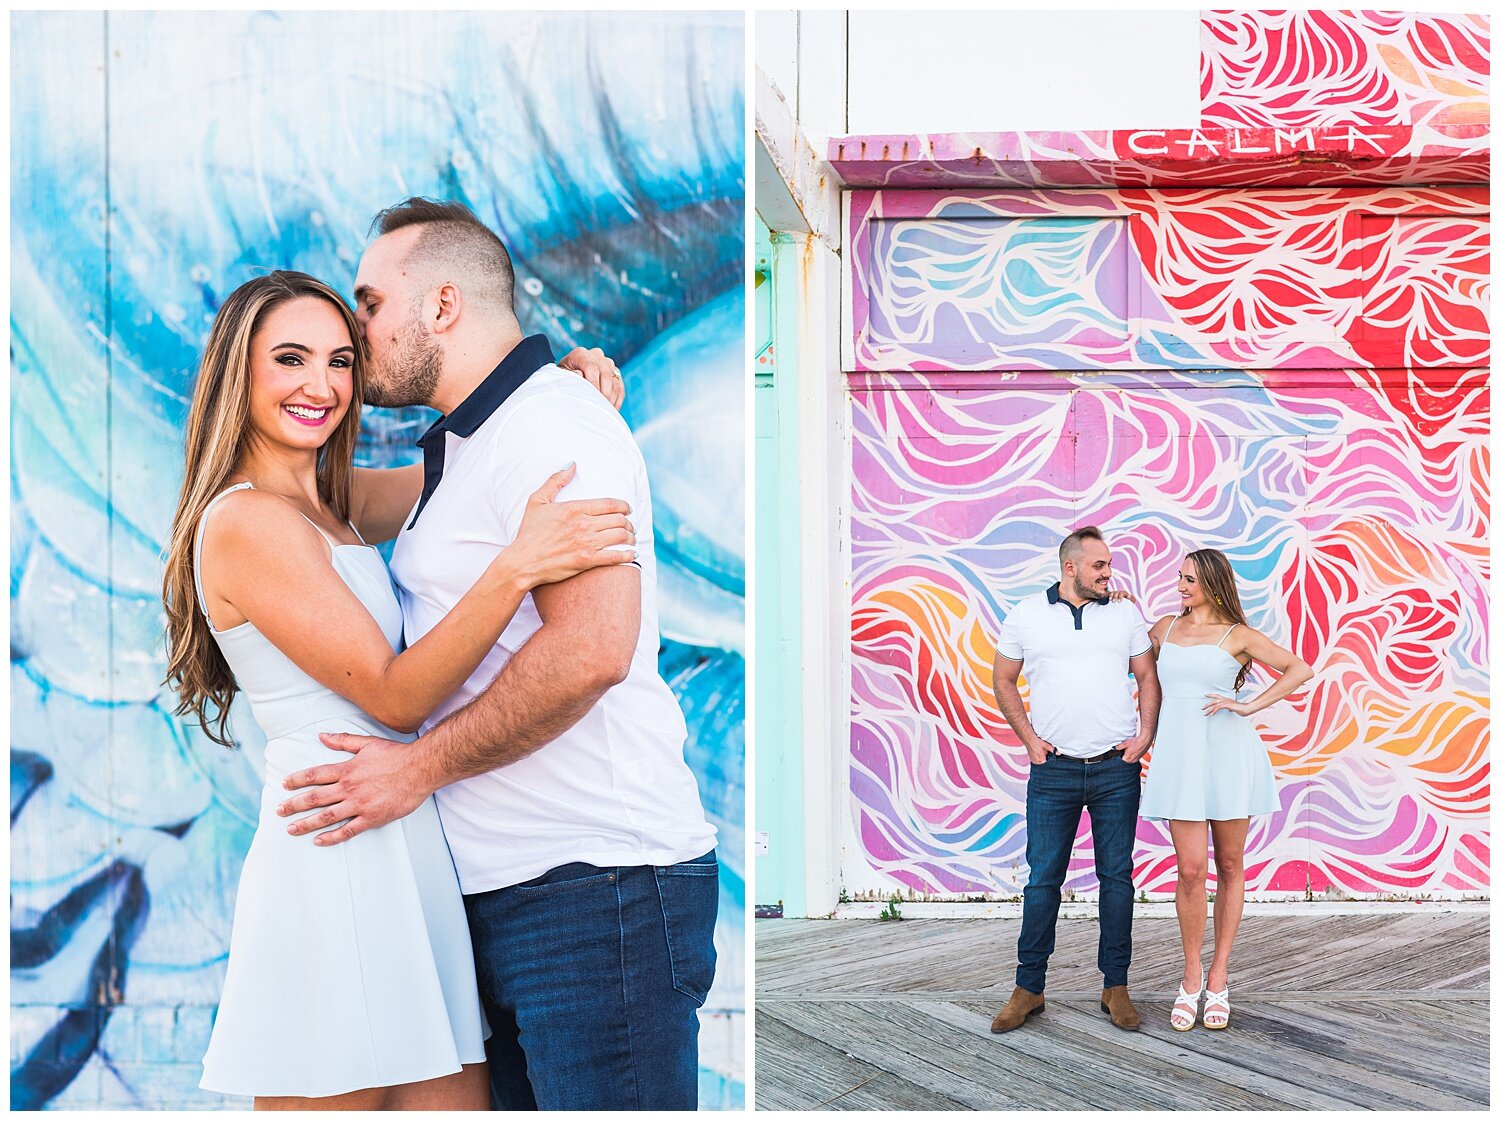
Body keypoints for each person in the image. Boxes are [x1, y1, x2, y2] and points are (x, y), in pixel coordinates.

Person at [274, 198, 719, 1111]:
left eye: (368, 304)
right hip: (518, 895)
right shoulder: (486, 440)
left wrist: (416, 770)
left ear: (443, 306)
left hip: (599, 894)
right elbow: (311, 501)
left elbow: (594, 650)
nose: (356, 334)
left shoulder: (550, 428)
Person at [162, 269, 633, 1109]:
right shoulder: (246, 522)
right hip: (335, 832)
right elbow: (394, 695)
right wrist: (517, 564)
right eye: (292, 359)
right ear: (240, 370)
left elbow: (467, 472)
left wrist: (548, 393)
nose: (322, 385)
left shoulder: (328, 499)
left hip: (397, 829)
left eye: (341, 360)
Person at [989, 525, 1162, 1034]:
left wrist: (1145, 734)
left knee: (1118, 879)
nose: (1109, 573)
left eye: (1109, 565)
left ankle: (1116, 986)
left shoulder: (1126, 613)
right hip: (1054, 770)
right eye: (1099, 565)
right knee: (1043, 880)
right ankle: (1029, 988)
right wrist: (1028, 739)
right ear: (1071, 568)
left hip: (1114, 769)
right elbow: (1003, 677)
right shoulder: (1027, 614)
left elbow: (1147, 676)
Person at [1140, 548, 1313, 1031]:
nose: (1180, 586)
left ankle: (1219, 977)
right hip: (1180, 760)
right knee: (1191, 871)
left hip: (1228, 757)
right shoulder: (1164, 629)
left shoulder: (1238, 636)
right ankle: (1191, 975)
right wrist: (1118, 603)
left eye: (1189, 580)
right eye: (1179, 578)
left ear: (1213, 584)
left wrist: (1248, 706)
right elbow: (1131, 653)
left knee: (1230, 865)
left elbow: (1300, 669)